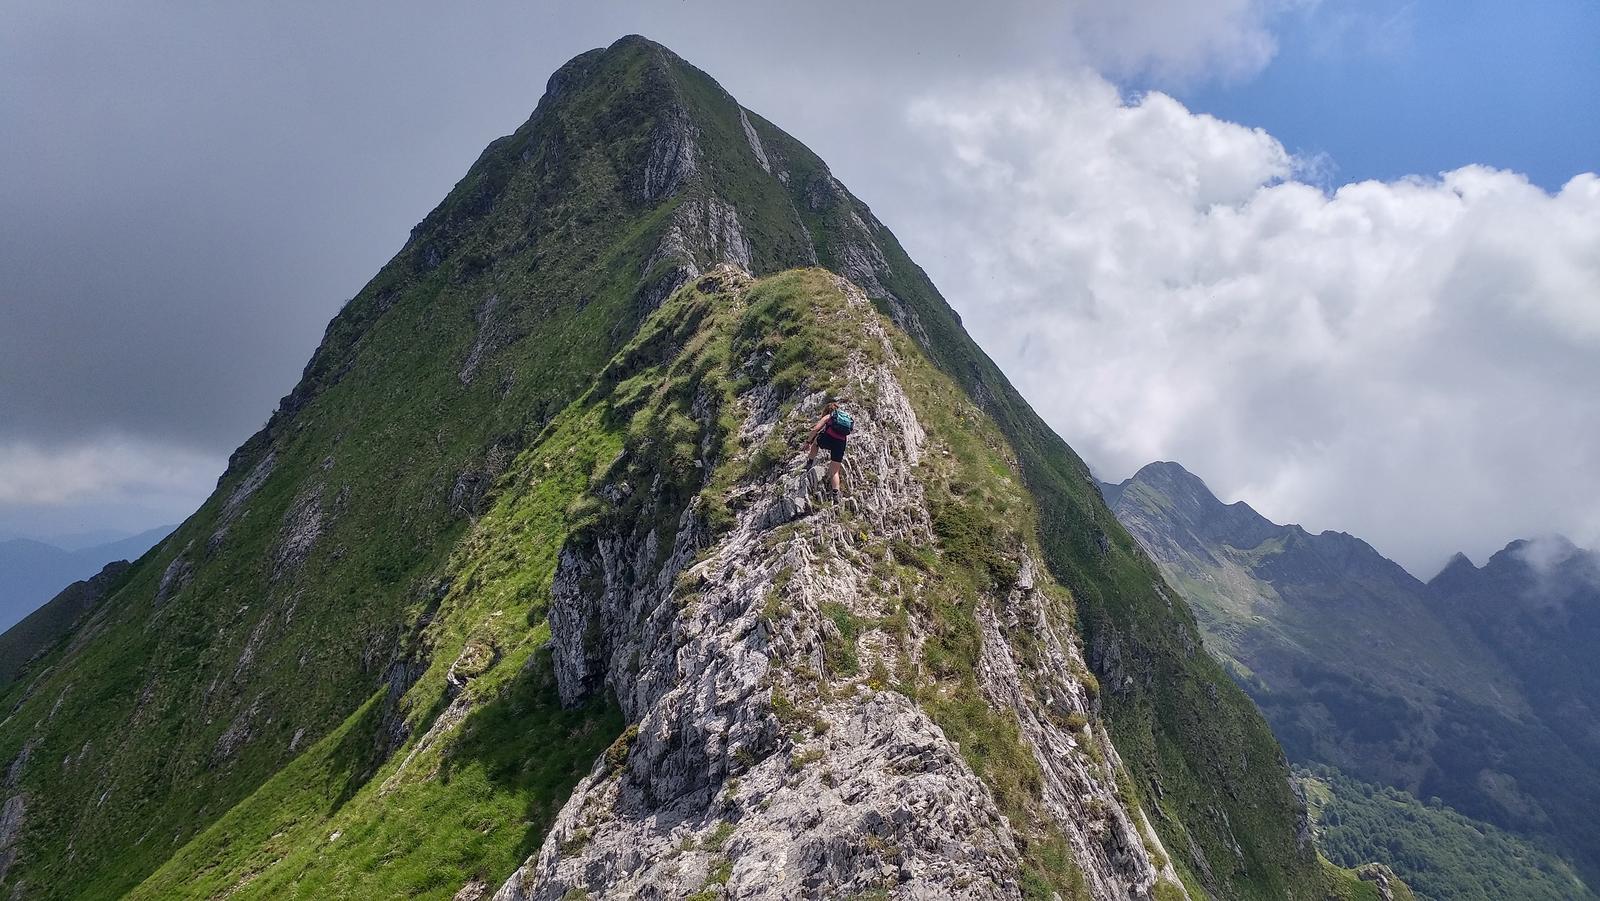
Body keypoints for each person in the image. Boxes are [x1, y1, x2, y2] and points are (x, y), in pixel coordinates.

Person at [804, 402, 854, 500]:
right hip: (840, 444)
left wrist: (808, 442)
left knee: (816, 442)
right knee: (835, 471)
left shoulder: (829, 416)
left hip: (828, 439)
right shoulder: (844, 418)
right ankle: (836, 493)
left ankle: (810, 462)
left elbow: (815, 429)